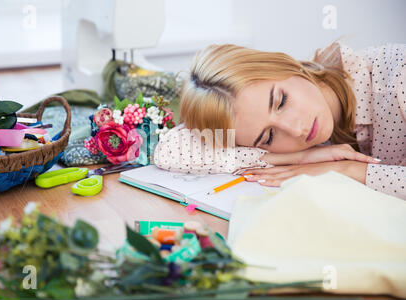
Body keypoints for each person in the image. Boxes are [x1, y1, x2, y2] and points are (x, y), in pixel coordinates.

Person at [153, 41, 406, 200]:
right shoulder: (310, 139)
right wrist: (298, 158)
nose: (296, 129)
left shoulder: (397, 78)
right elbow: (170, 150)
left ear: (285, 64)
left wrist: (348, 169)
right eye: (269, 136)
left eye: (282, 101)